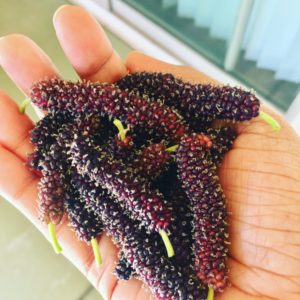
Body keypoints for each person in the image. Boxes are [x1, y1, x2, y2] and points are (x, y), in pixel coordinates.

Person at [0, 5, 299, 300]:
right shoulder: (83, 147)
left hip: (146, 173)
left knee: (127, 194)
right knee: (107, 188)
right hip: (112, 162)